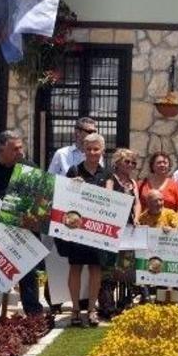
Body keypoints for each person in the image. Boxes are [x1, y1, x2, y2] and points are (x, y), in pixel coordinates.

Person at [0, 131, 45, 325]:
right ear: (1, 148)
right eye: (15, 149)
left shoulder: (30, 168)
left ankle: (34, 316)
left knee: (28, 276)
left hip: (25, 234)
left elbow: (42, 198)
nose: (20, 152)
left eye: (21, 147)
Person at [46, 116, 101, 313]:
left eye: (95, 131)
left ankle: (84, 302)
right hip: (65, 214)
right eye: (89, 131)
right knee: (61, 259)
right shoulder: (62, 154)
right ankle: (55, 300)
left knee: (87, 263)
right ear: (77, 132)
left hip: (88, 218)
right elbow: (50, 181)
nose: (92, 135)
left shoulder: (98, 156)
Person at [63, 133, 111, 327]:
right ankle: (75, 308)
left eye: (96, 149)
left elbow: (109, 199)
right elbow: (64, 197)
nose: (92, 152)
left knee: (95, 269)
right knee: (75, 267)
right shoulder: (74, 170)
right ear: (83, 150)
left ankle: (92, 309)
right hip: (76, 229)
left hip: (96, 230)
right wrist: (73, 186)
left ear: (102, 151)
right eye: (89, 149)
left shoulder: (107, 173)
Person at [102, 148, 142, 315]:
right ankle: (107, 305)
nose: (130, 165)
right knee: (110, 267)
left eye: (133, 163)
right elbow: (108, 197)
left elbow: (137, 203)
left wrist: (137, 217)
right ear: (117, 162)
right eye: (127, 161)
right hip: (113, 226)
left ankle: (125, 301)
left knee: (126, 266)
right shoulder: (111, 179)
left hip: (129, 227)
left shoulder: (133, 182)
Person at [139, 151, 178, 218]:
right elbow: (135, 204)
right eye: (159, 162)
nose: (162, 165)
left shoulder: (175, 186)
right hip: (144, 222)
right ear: (152, 166)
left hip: (168, 223)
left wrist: (174, 220)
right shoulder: (141, 185)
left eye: (165, 163)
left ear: (169, 166)